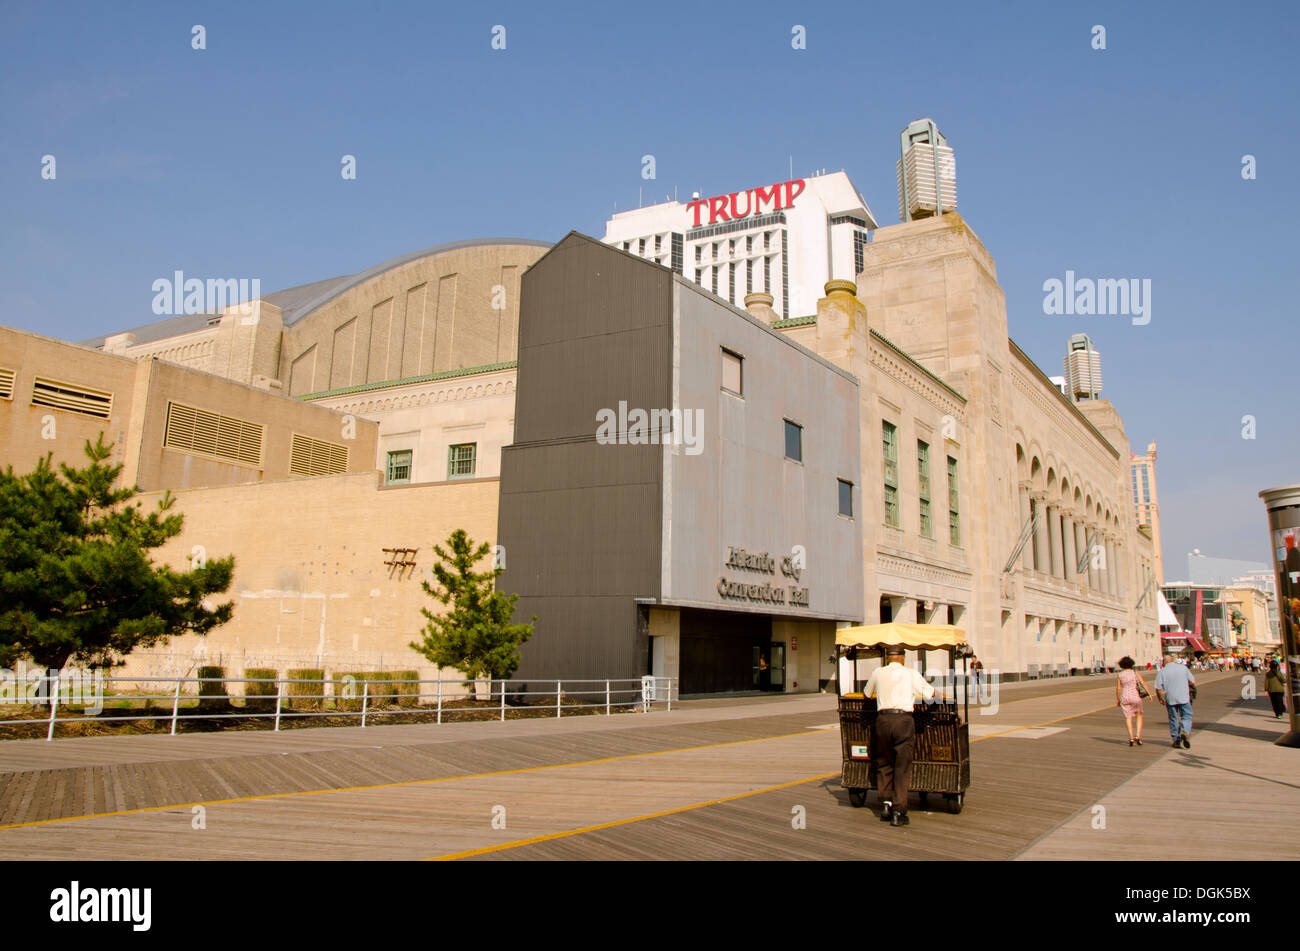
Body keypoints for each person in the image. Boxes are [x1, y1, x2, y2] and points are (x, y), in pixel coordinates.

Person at [863, 648, 936, 827]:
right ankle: (899, 810)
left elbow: (866, 694)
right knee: (901, 766)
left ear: (888, 658)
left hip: (883, 720)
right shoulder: (911, 673)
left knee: (883, 763)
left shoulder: (878, 672)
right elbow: (931, 694)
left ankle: (886, 804)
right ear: (902, 658)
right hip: (903, 720)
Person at [1154, 653, 1196, 748]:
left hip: (1170, 698)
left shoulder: (1162, 672)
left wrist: (1160, 698)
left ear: (1164, 662)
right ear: (1172, 660)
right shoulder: (1183, 668)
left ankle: (1176, 739)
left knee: (1173, 718)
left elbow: (1158, 688)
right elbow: (1193, 681)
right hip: (1184, 697)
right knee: (1187, 716)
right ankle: (1185, 731)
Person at [1115, 656, 1150, 745]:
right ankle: (1138, 736)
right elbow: (1142, 683)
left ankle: (1131, 738)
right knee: (1139, 715)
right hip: (1135, 696)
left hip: (1125, 696)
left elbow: (1118, 688)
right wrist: (1149, 694)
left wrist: (1118, 699)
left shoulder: (1120, 675)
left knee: (1128, 717)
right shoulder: (1135, 672)